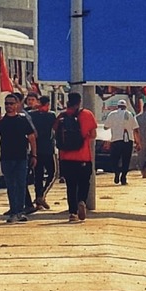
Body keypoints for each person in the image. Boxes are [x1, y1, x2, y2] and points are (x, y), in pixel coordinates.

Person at [0, 93, 37, 223]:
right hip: (6, 157)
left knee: (21, 185)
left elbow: (32, 138)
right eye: (6, 103)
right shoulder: (2, 121)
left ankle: (19, 212)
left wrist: (34, 155)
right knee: (11, 186)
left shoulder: (22, 120)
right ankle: (13, 211)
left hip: (21, 157)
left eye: (11, 103)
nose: (9, 106)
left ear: (17, 105)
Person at [56, 90, 97, 220]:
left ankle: (72, 213)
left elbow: (55, 131)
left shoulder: (62, 116)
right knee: (84, 182)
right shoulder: (87, 114)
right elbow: (94, 135)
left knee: (71, 185)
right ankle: (82, 201)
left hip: (66, 157)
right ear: (79, 102)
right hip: (83, 156)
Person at [28, 91, 57, 211]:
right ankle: (41, 195)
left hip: (35, 149)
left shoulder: (31, 115)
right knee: (53, 173)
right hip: (48, 149)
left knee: (38, 176)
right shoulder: (51, 115)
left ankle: (38, 200)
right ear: (48, 104)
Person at [102, 91, 138, 185]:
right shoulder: (130, 114)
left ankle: (117, 172)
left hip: (116, 140)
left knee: (114, 159)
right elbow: (135, 128)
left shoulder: (112, 114)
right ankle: (123, 178)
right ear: (125, 107)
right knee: (126, 160)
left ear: (117, 106)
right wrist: (138, 142)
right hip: (128, 141)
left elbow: (105, 127)